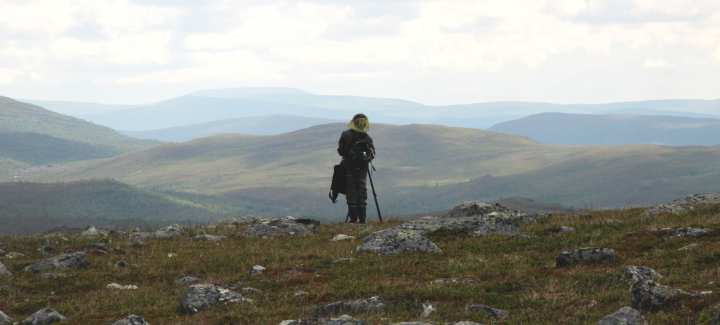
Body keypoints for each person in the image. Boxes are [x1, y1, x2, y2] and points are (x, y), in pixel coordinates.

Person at [337, 113, 375, 223]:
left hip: (349, 167)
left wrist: (349, 154)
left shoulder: (346, 135)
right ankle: (362, 219)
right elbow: (372, 154)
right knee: (362, 191)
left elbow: (341, 151)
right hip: (363, 169)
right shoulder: (367, 138)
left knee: (351, 191)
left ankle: (353, 219)